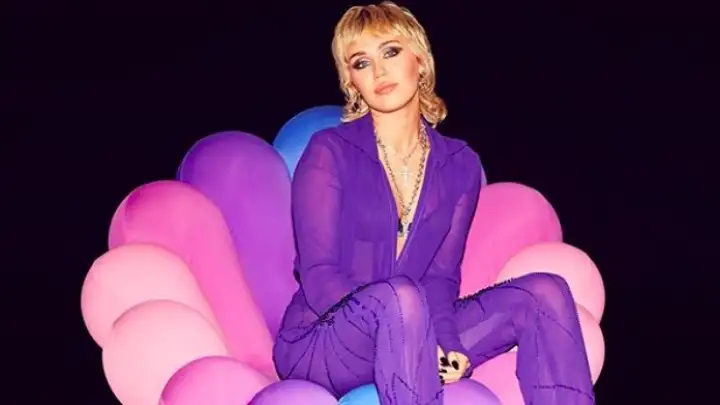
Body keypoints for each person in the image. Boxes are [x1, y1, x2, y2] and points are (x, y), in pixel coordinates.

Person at [272, 2, 595, 404]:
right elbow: (319, 276)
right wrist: (406, 323)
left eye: (390, 52)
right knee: (402, 297)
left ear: (420, 61)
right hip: (326, 341)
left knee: (543, 293)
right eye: (361, 62)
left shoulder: (459, 164)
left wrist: (446, 342)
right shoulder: (329, 151)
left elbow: (441, 278)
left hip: (414, 326)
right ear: (351, 82)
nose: (379, 71)